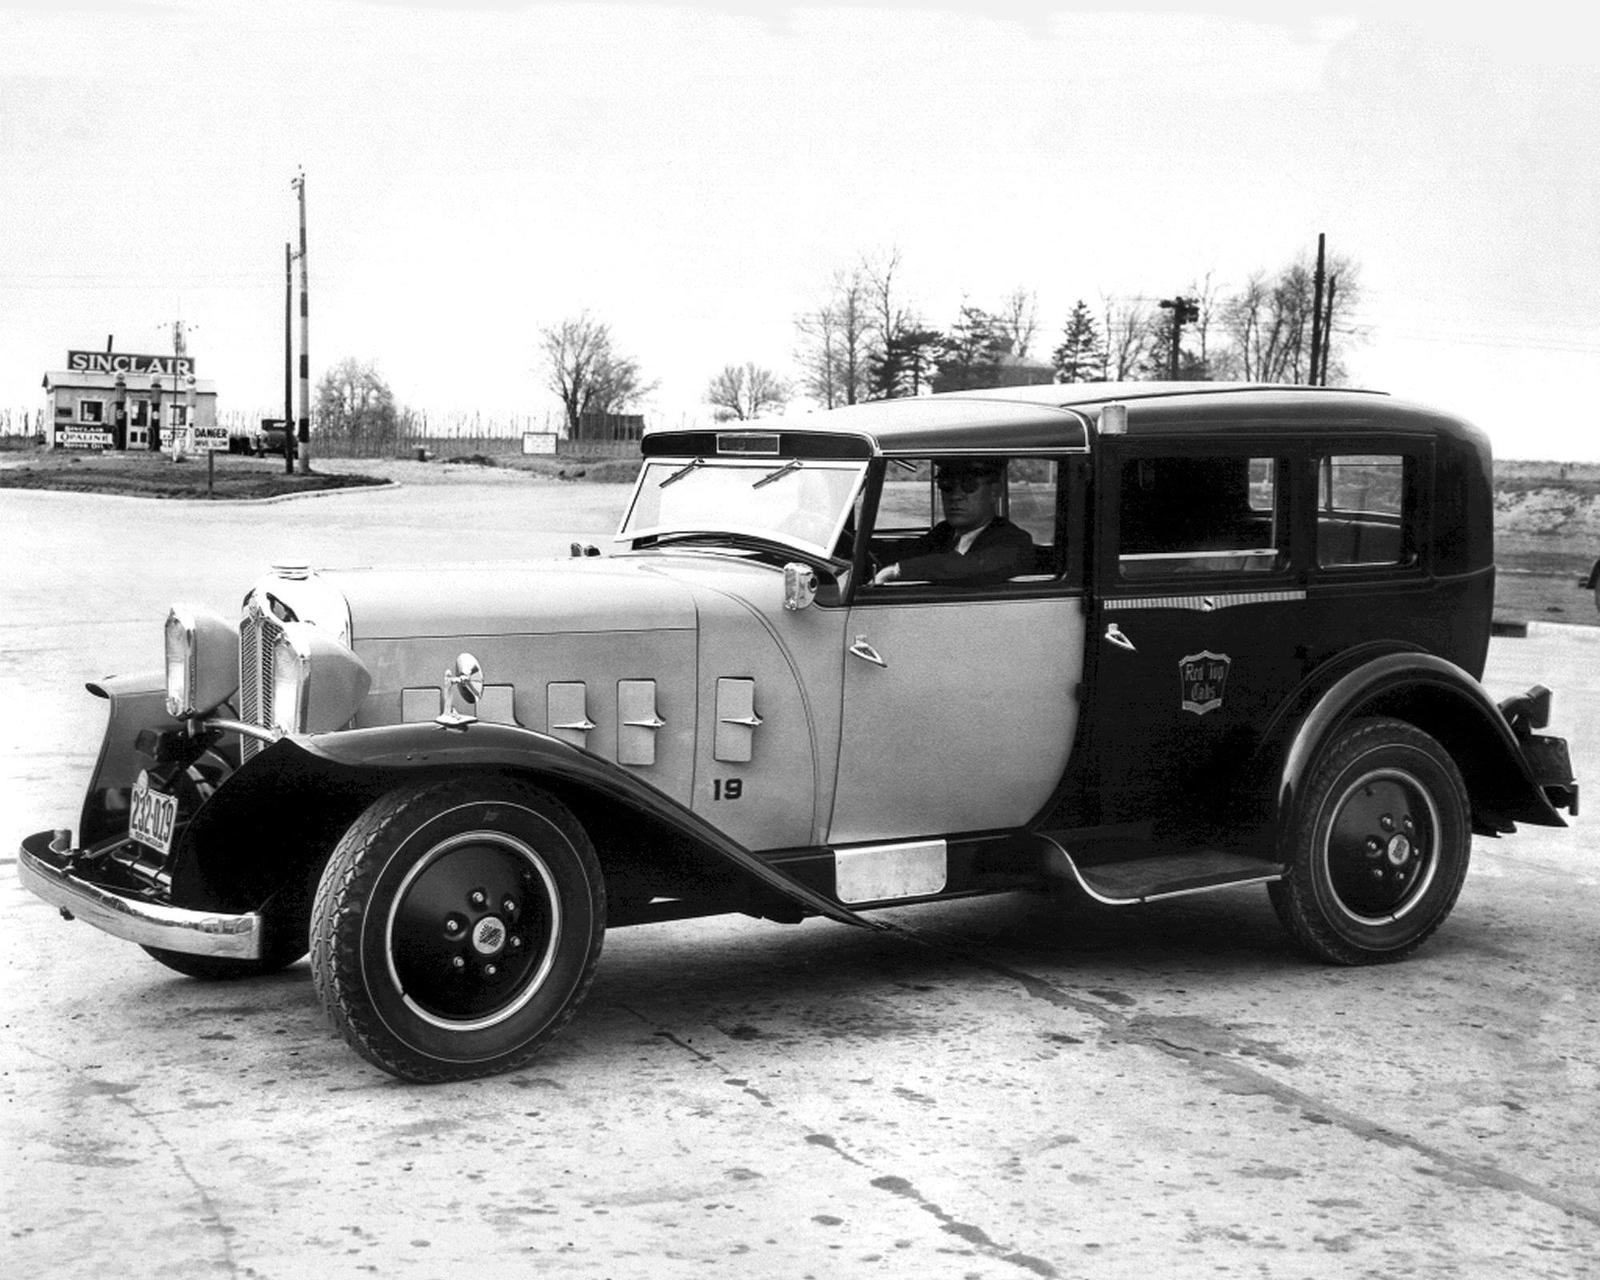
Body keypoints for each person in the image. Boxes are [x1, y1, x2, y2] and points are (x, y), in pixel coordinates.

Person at [871, 457, 1035, 587]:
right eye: (946, 484)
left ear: (994, 492)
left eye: (968, 485)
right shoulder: (945, 532)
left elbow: (971, 567)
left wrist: (898, 571)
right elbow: (906, 550)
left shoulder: (1014, 541)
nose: (955, 496)